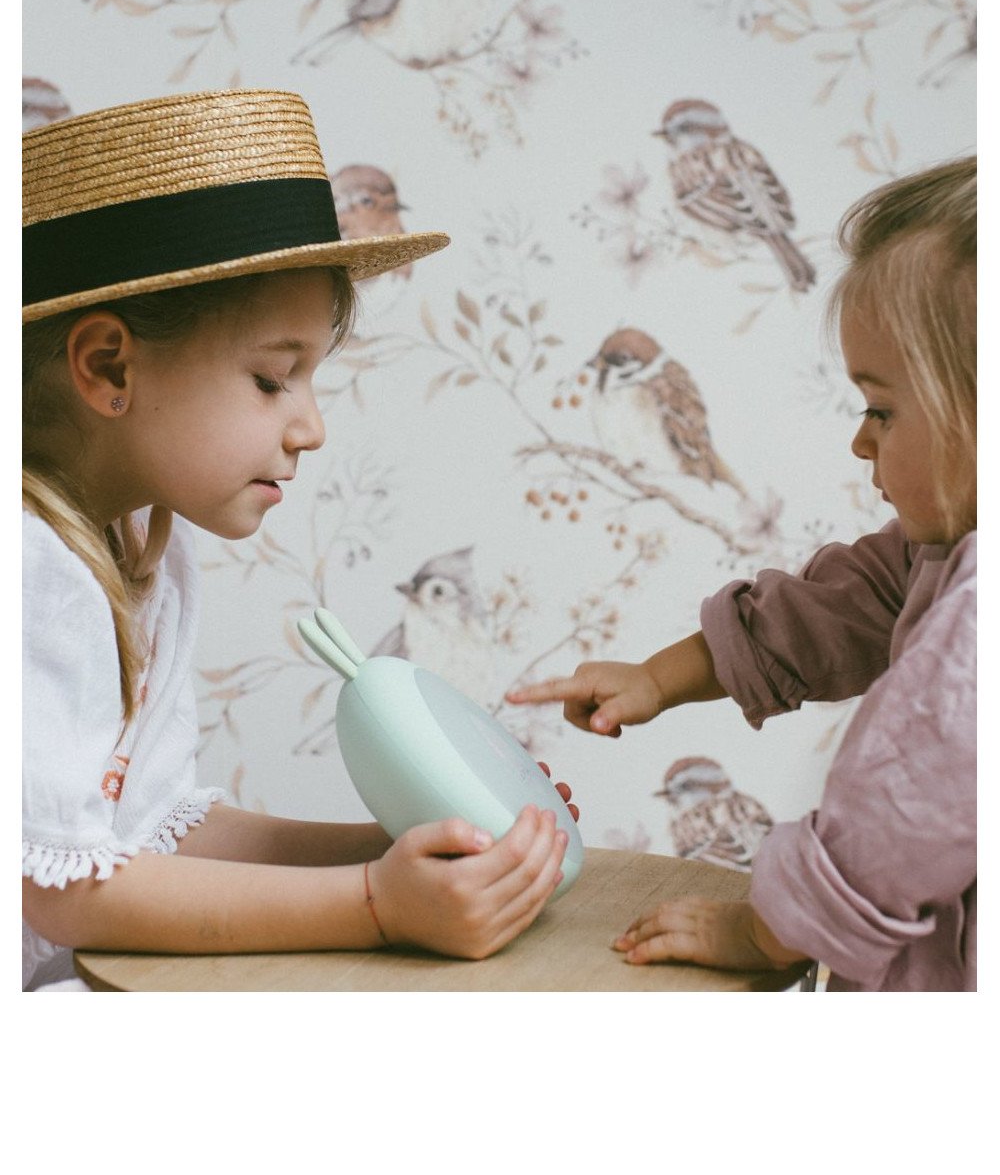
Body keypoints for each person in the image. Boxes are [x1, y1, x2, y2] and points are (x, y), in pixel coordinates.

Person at [22, 88, 574, 991]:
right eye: (274, 380)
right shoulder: (31, 568)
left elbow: (153, 830)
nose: (310, 427)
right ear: (109, 366)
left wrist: (418, 851)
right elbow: (65, 893)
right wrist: (372, 905)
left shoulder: (144, 548)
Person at [508, 157, 976, 992]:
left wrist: (769, 935)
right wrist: (661, 678)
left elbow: (900, 809)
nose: (861, 442)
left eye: (881, 409)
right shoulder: (943, 555)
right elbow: (846, 602)